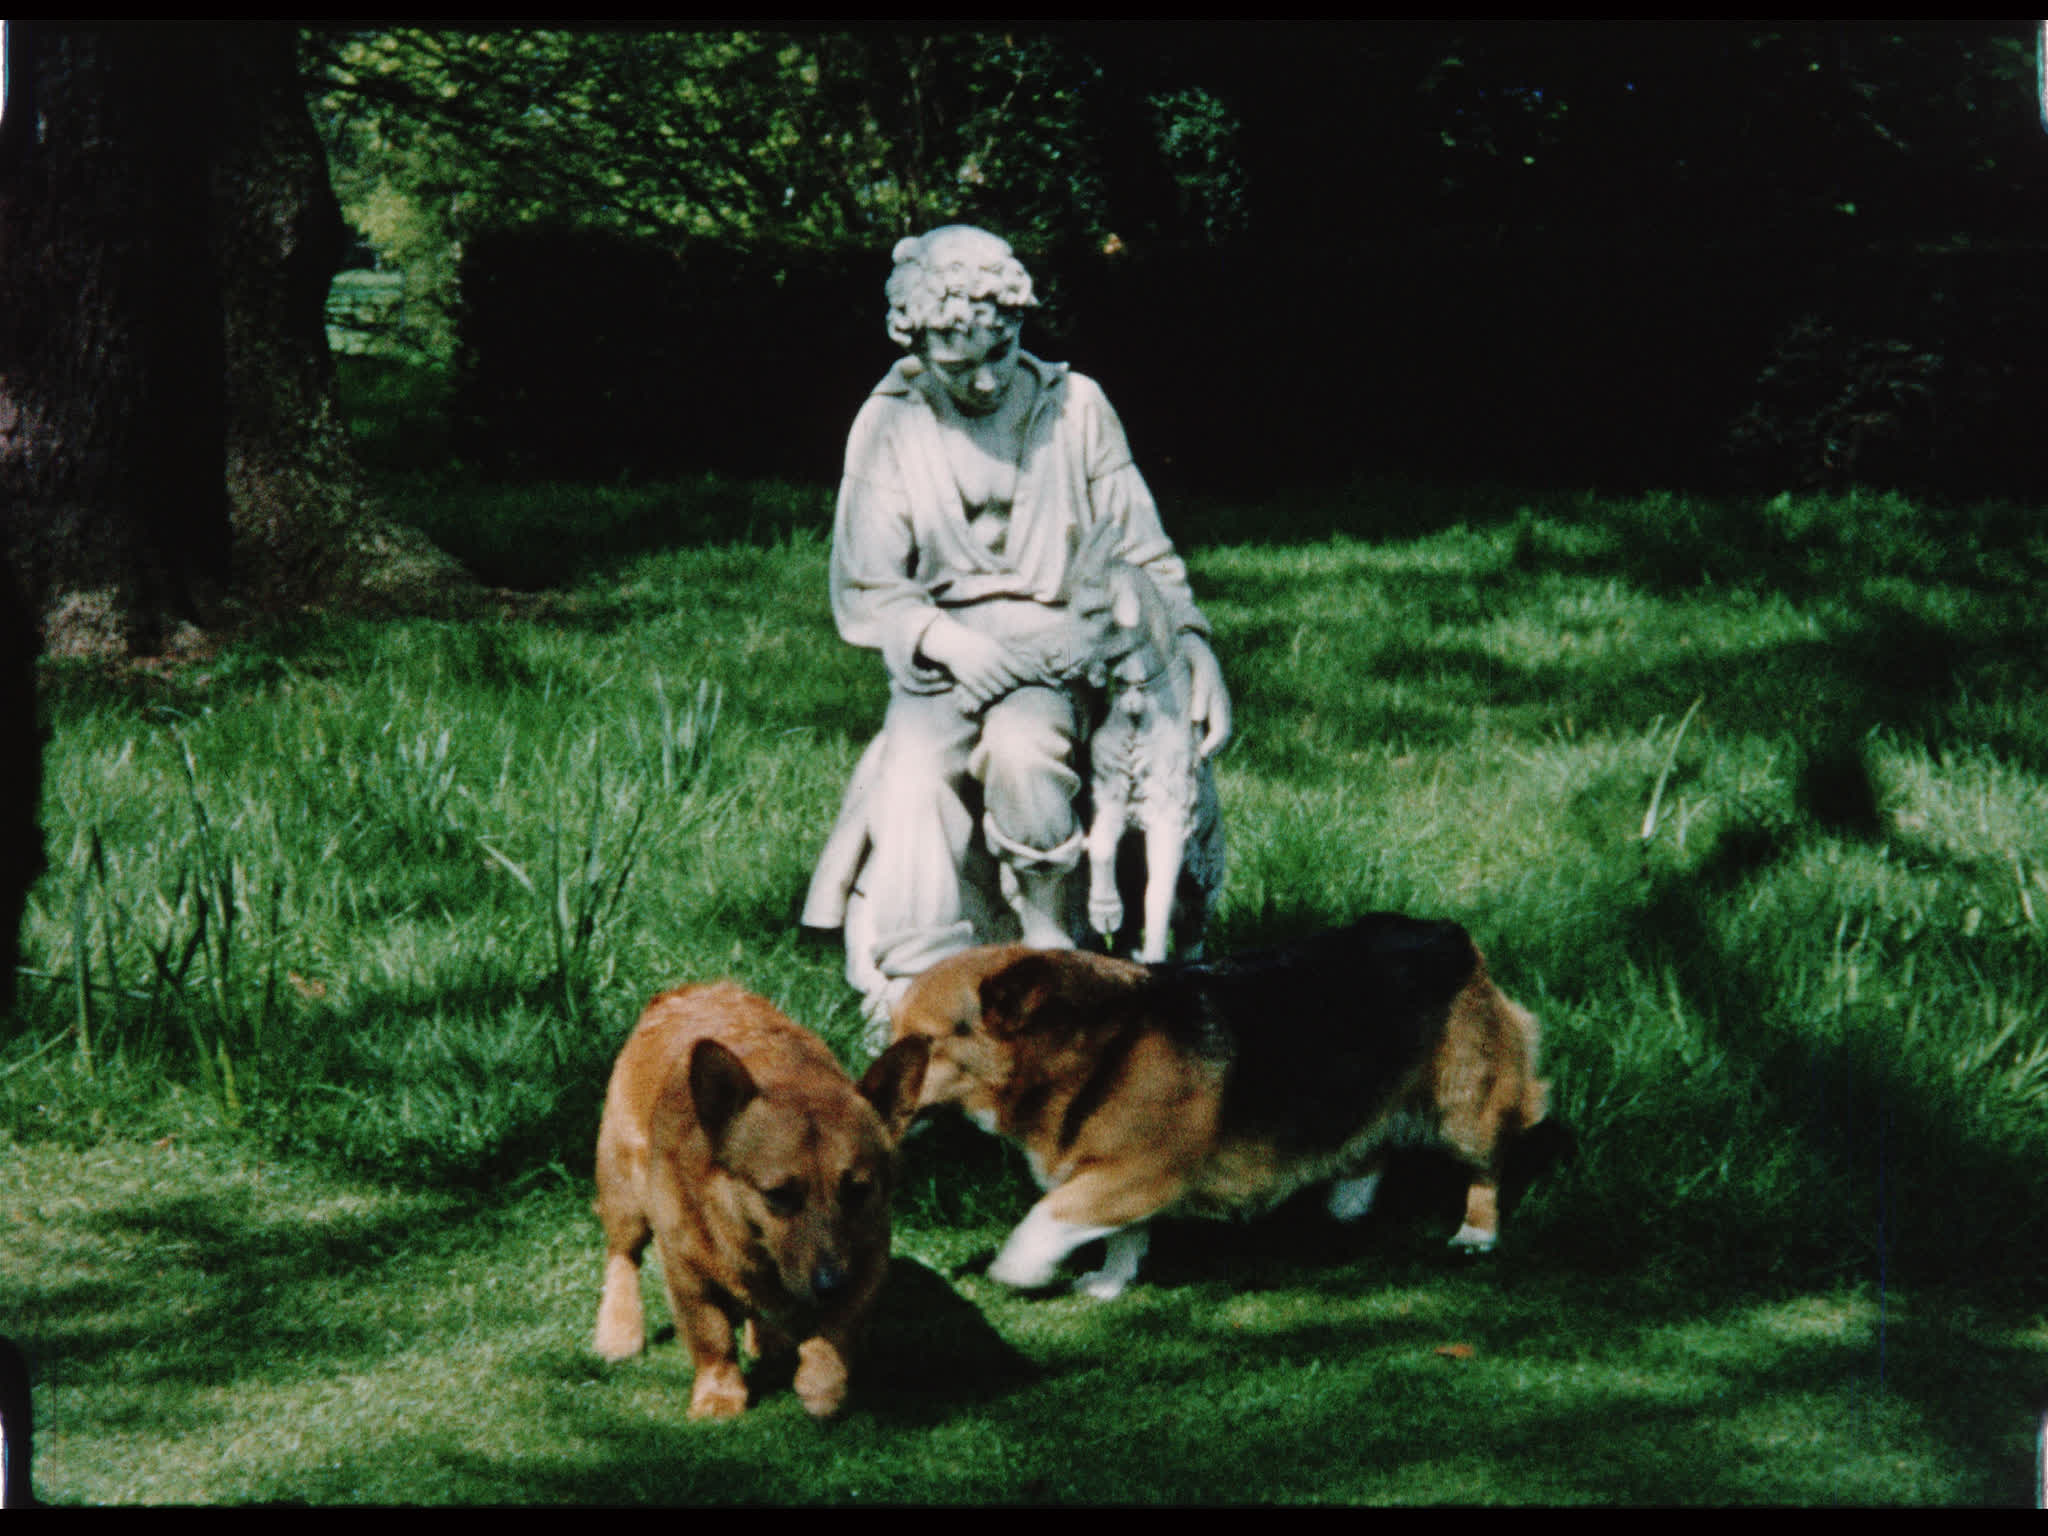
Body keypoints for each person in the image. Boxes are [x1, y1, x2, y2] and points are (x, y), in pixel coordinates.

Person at [801, 225, 1229, 1031]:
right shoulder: (888, 423)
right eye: (960, 365)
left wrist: (1194, 639)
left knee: (1027, 747)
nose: (990, 381)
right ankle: (921, 977)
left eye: (1004, 349)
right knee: (915, 768)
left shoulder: (1078, 408)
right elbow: (867, 583)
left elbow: (1141, 546)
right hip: (942, 652)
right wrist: (948, 641)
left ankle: (1047, 947)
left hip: (1062, 649)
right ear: (916, 342)